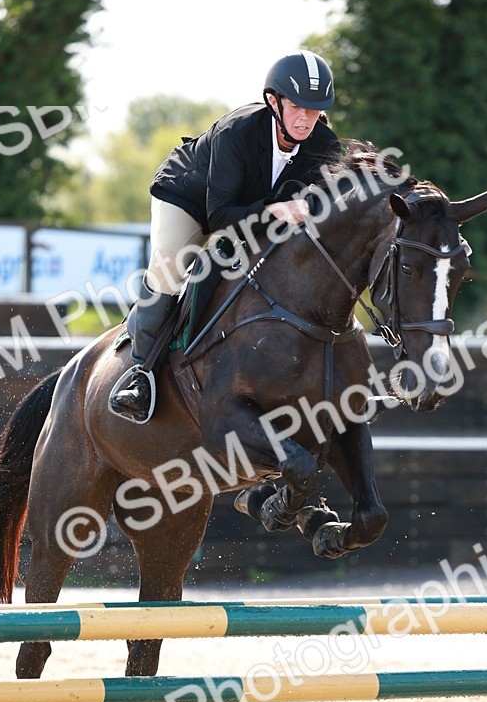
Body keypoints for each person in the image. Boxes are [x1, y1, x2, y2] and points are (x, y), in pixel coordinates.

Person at [108, 50, 340, 423]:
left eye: (314, 110)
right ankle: (140, 373)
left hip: (250, 208)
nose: (305, 118)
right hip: (190, 197)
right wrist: (272, 211)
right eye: (297, 107)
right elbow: (218, 216)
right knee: (172, 263)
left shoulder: (324, 146)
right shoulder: (239, 131)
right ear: (273, 101)